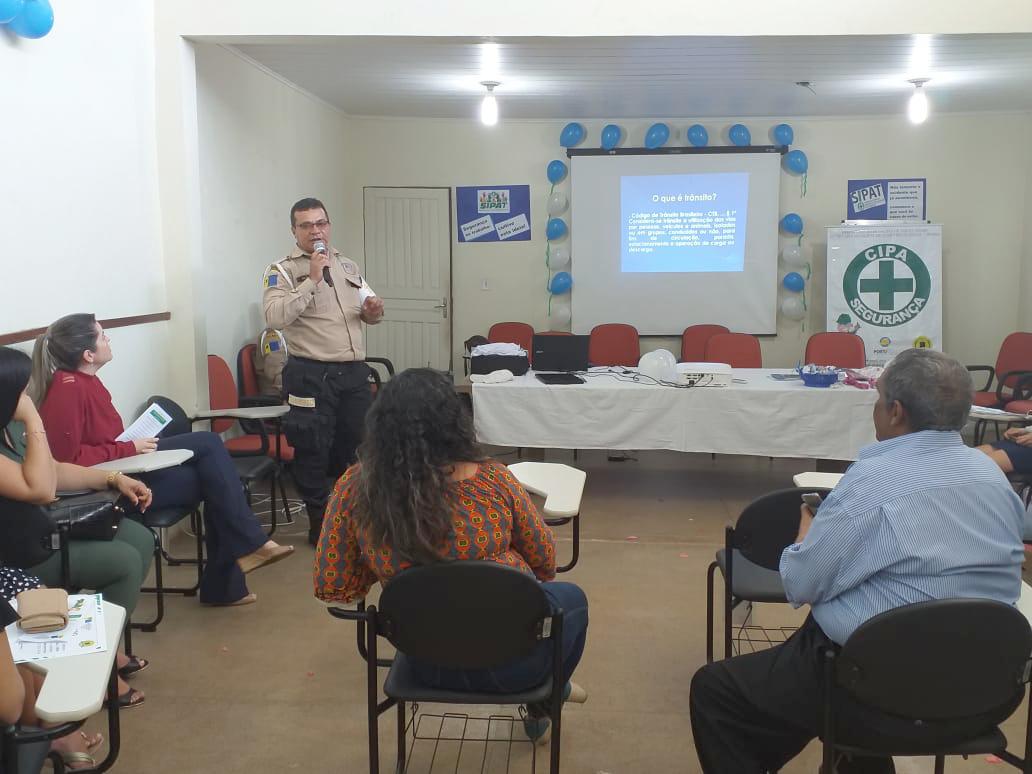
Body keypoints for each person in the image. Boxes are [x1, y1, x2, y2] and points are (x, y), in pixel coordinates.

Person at [689, 348, 1025, 774]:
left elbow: (800, 585)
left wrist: (808, 534)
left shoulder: (871, 483)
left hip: (874, 693)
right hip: (984, 689)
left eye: (878, 398)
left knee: (717, 692)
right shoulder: (992, 476)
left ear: (896, 412)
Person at [314, 368, 589, 742]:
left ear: (379, 425)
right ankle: (546, 699)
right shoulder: (493, 479)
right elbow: (544, 560)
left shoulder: (355, 488)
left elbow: (335, 586)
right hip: (513, 666)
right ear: (455, 422)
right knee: (572, 599)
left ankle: (551, 692)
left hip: (421, 661)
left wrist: (386, 562)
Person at [31, 314, 294, 607]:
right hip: (103, 492)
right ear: (88, 354)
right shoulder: (67, 388)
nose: (109, 339)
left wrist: (127, 446)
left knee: (218, 476)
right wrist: (127, 448)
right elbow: (66, 460)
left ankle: (241, 564)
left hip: (121, 471)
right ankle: (234, 572)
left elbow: (100, 443)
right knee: (217, 475)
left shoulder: (87, 382)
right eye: (103, 336)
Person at [0, 346, 153, 710]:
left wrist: (113, 478)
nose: (28, 394)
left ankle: (104, 648)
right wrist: (33, 418)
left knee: (139, 538)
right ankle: (95, 665)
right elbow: (41, 488)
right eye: (22, 389)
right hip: (19, 554)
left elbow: (54, 469)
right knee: (123, 563)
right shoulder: (23, 421)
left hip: (44, 529)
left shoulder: (11, 426)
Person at [263, 197, 385, 545]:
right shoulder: (282, 270)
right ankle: (319, 522)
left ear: (328, 226)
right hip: (310, 374)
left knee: (359, 446)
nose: (315, 231)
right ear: (294, 231)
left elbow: (369, 313)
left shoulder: (347, 265)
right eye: (306, 225)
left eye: (320, 223)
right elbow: (274, 317)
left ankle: (354, 517)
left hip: (353, 373)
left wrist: (373, 311)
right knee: (312, 450)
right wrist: (312, 280)